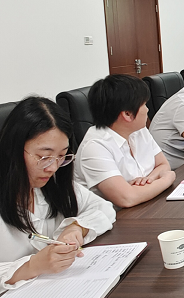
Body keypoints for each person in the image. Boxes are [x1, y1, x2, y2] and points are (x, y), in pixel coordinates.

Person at [0, 97, 116, 298]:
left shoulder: (49, 184)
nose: (53, 167)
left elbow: (103, 207)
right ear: (13, 149)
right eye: (44, 156)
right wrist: (30, 267)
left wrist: (76, 228)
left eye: (62, 156)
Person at [75, 75, 175, 208]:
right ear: (127, 114)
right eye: (144, 104)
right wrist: (167, 179)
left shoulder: (139, 131)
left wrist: (149, 180)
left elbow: (163, 165)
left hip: (146, 206)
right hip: (115, 217)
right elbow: (127, 198)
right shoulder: (95, 147)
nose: (147, 109)